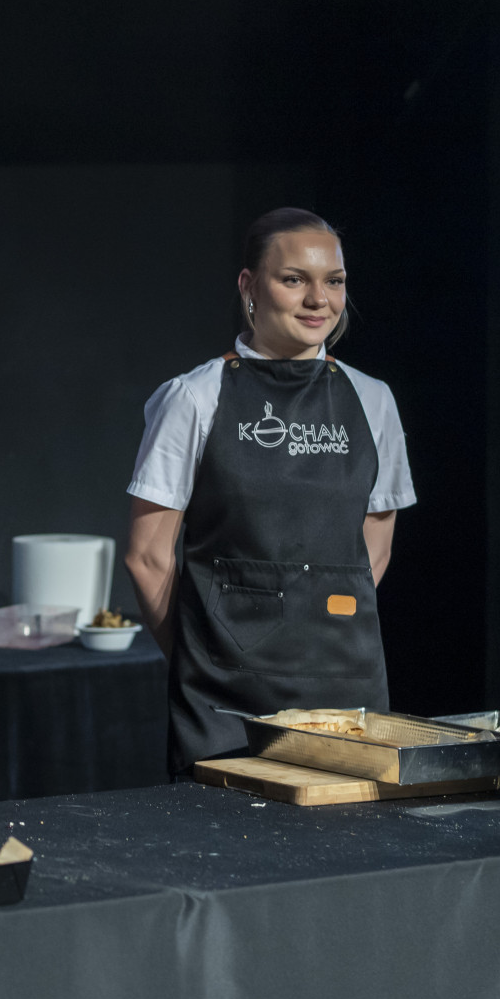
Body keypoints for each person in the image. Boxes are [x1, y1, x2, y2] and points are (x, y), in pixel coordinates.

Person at [124, 207, 416, 775]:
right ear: (249, 286)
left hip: (346, 688)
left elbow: (374, 546)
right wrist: (203, 656)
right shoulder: (193, 398)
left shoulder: (372, 399)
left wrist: (319, 627)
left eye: (334, 281)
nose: (318, 300)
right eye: (294, 279)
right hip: (224, 700)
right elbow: (148, 556)